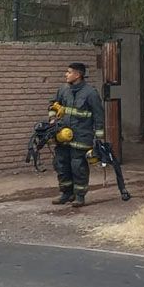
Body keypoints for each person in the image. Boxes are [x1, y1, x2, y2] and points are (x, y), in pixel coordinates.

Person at [49, 62, 105, 208]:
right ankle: (66, 194)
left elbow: (99, 115)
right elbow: (53, 104)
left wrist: (99, 138)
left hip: (82, 136)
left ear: (78, 74)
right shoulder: (63, 90)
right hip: (63, 135)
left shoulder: (90, 93)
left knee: (78, 166)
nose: (65, 74)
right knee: (61, 165)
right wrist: (52, 118)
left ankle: (80, 196)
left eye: (69, 72)